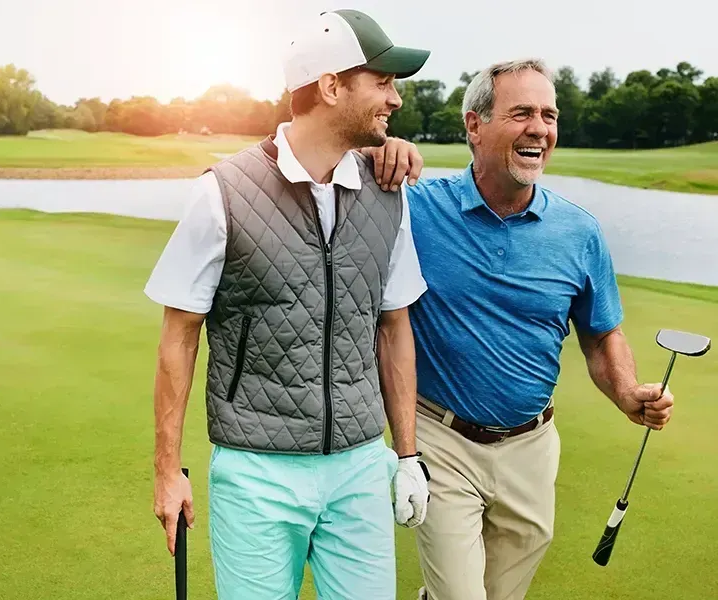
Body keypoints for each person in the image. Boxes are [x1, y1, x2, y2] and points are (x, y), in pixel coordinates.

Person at [144, 9, 433, 600]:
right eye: (381, 82)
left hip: (359, 466)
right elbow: (179, 334)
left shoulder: (388, 193)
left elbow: (394, 325)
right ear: (331, 86)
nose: (395, 98)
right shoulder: (222, 192)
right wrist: (167, 472)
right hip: (256, 473)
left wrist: (407, 455)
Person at [364, 58, 676, 600]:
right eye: (522, 113)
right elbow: (326, 179)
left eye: (549, 115)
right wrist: (372, 152)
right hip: (440, 438)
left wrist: (627, 391)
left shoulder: (578, 231)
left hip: (532, 446)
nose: (540, 128)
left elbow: (602, 334)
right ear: (474, 125)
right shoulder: (414, 210)